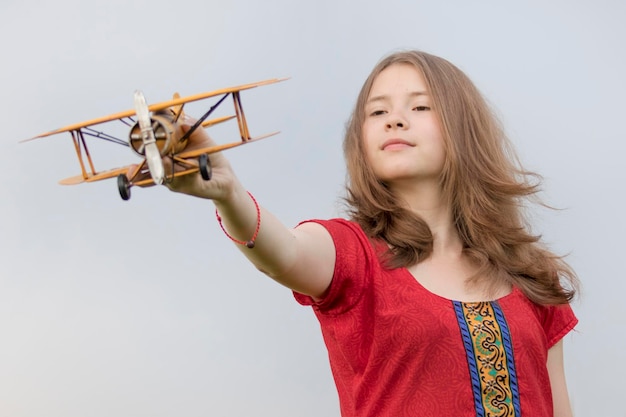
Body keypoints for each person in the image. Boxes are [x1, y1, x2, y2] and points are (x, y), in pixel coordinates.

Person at [147, 50, 579, 417]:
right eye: (377, 111)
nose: (395, 120)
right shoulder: (352, 253)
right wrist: (229, 193)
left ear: (463, 127)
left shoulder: (531, 274)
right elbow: (285, 253)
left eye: (420, 106)